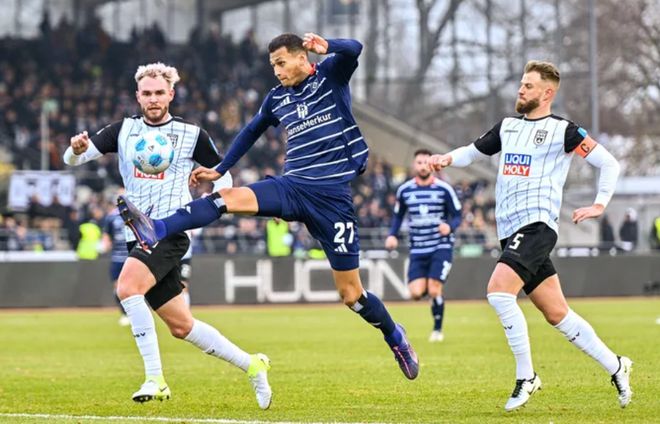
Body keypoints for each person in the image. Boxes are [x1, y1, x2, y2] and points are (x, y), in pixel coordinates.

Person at [118, 34, 419, 380]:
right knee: (225, 199)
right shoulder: (277, 98)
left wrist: (328, 45)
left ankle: (394, 335)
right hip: (292, 187)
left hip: (333, 200)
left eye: (280, 63)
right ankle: (157, 227)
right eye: (272, 65)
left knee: (351, 295)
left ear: (302, 57)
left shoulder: (330, 76)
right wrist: (220, 168)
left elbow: (355, 49)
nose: (276, 71)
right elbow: (250, 132)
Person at [63, 62, 272, 409]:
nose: (153, 99)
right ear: (138, 96)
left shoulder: (192, 135)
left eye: (160, 92)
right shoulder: (122, 130)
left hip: (170, 231)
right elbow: (73, 160)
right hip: (138, 235)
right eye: (147, 93)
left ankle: (155, 379)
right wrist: (76, 147)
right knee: (181, 326)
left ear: (171, 94)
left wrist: (207, 202)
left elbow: (224, 177)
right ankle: (252, 364)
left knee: (127, 288)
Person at [429, 60, 632, 411]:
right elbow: (472, 152)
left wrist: (599, 204)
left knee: (498, 292)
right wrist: (447, 158)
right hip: (509, 231)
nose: (521, 90)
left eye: (528, 86)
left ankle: (527, 377)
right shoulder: (507, 127)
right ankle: (616, 366)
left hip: (537, 226)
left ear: (547, 93)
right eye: (521, 84)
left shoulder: (563, 131)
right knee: (557, 314)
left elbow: (609, 163)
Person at [385, 149, 462, 342]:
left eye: (426, 162)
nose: (423, 166)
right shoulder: (405, 190)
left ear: (432, 165)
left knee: (434, 289)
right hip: (418, 247)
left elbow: (457, 215)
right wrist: (392, 235)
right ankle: (430, 287)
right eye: (419, 162)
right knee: (416, 293)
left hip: (440, 245)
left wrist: (449, 226)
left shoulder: (444, 189)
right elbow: (398, 216)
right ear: (414, 165)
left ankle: (437, 330)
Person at [101, 199, 131, 326]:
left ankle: (134, 313)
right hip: (117, 257)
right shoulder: (111, 217)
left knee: (135, 287)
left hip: (133, 256)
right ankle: (125, 313)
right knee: (118, 287)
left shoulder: (134, 213)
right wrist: (104, 246)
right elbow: (107, 235)